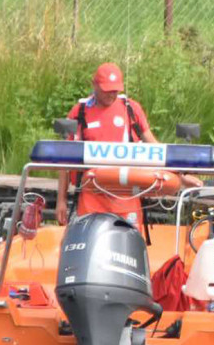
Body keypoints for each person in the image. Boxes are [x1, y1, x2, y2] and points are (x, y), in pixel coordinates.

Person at [58, 62, 162, 227]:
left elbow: (156, 148)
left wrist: (181, 174)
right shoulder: (79, 112)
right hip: (91, 198)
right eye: (106, 90)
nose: (111, 95)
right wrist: (61, 201)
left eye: (115, 90)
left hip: (126, 197)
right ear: (94, 85)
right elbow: (63, 159)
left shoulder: (131, 110)